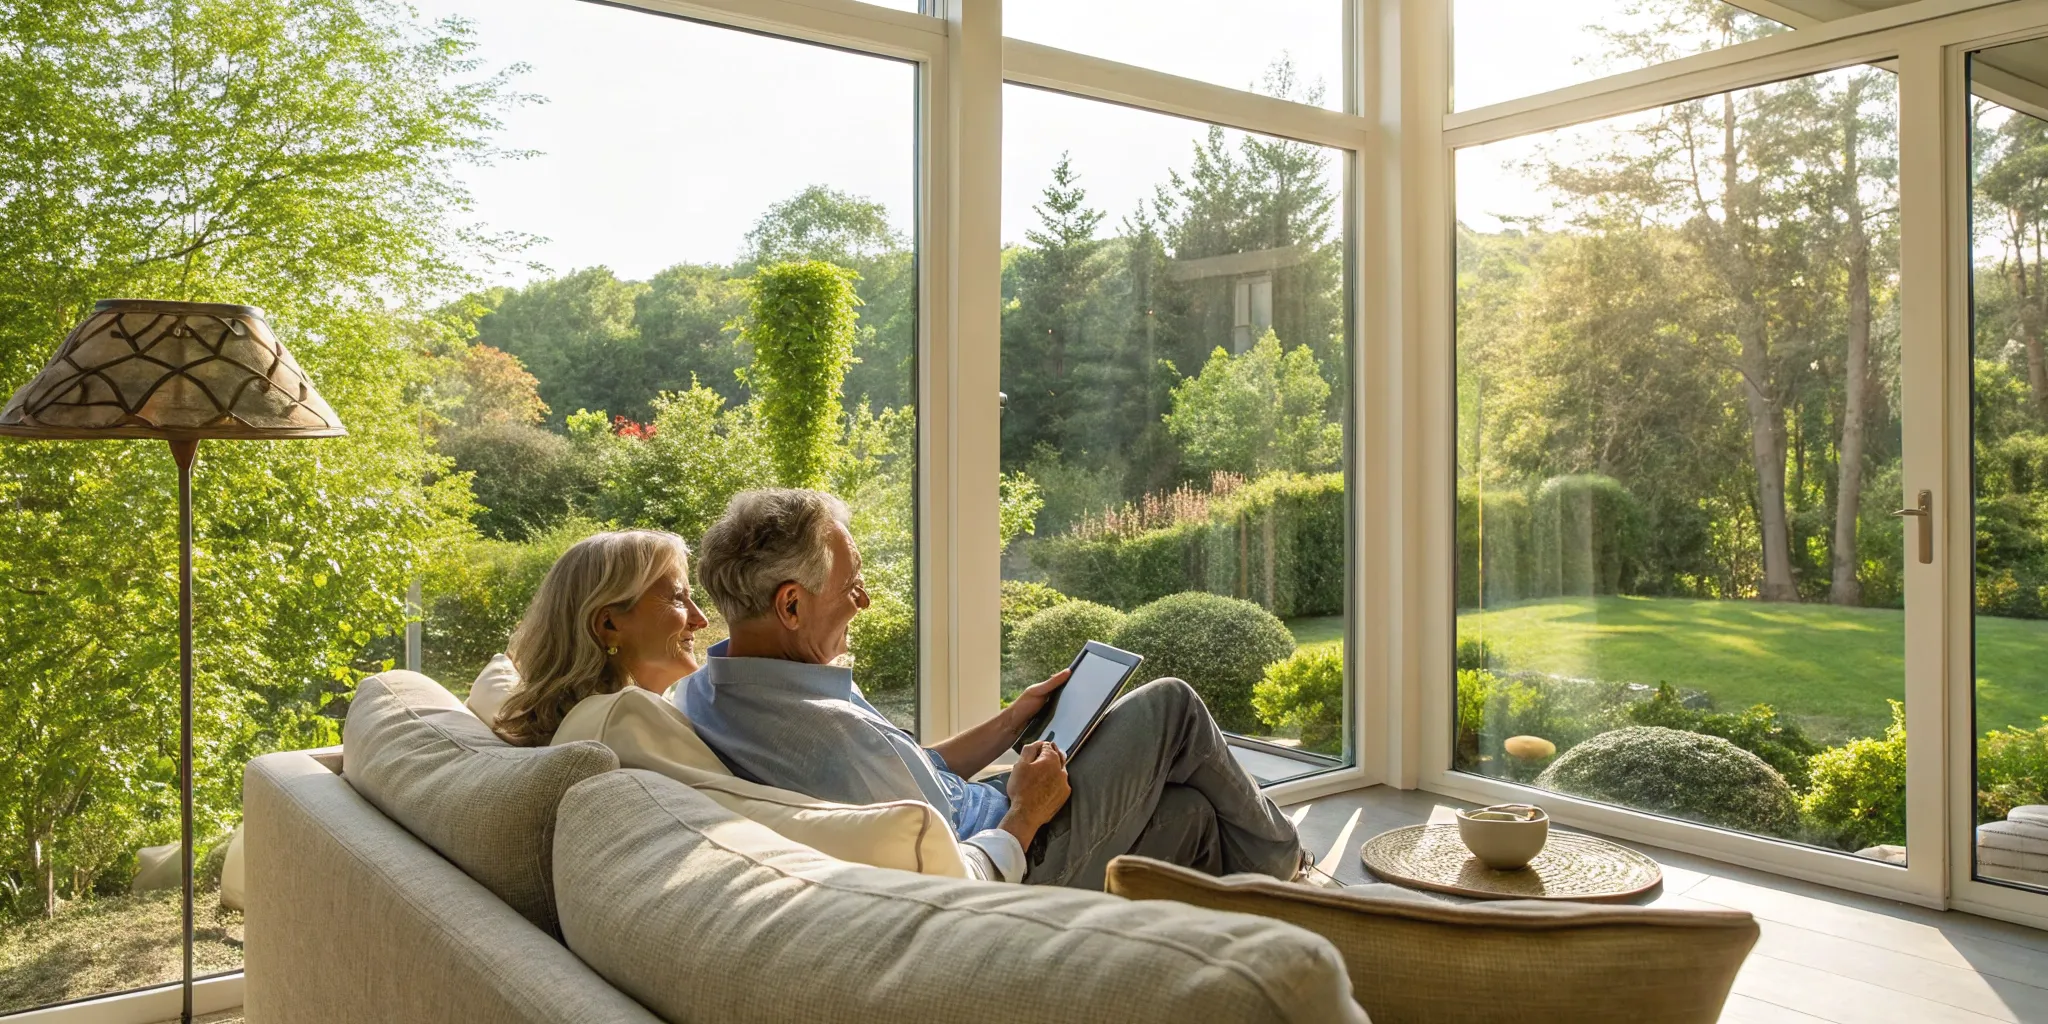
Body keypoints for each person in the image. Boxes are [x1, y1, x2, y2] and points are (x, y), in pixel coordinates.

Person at [678, 488, 1307, 889]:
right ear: (791, 605)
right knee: (1171, 707)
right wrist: (1028, 809)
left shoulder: (723, 687)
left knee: (1189, 816)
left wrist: (1012, 721)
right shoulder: (819, 735)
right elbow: (958, 878)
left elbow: (910, 776)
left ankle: (1240, 915)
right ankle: (1288, 864)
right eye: (852, 586)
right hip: (1018, 854)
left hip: (985, 810)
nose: (864, 601)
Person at [492, 529, 711, 747]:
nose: (701, 620)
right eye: (678, 599)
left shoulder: (574, 724)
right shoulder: (632, 728)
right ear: (609, 624)